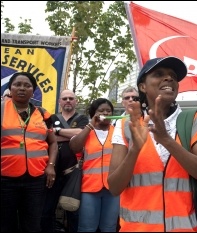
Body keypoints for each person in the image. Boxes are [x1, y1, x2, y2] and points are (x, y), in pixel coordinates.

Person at [108, 56, 197, 232]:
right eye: (159, 74)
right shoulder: (123, 126)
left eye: (173, 76)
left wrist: (166, 140)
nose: (169, 78)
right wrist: (135, 150)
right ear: (143, 86)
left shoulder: (194, 121)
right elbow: (114, 187)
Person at [1, 72, 58, 232]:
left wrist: (51, 166)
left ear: (33, 91)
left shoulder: (42, 114)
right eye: (17, 84)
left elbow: (53, 142)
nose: (22, 88)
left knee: (32, 225)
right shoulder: (1, 110)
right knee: (5, 225)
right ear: (10, 88)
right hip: (5, 180)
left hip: (36, 180)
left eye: (27, 85)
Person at [41, 89, 89, 232]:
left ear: (76, 101)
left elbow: (82, 133)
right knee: (46, 211)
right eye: (65, 98)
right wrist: (70, 136)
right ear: (59, 102)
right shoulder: (52, 118)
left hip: (73, 173)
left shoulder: (82, 119)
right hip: (51, 173)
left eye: (71, 98)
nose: (68, 101)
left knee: (73, 212)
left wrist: (56, 131)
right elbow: (47, 138)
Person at [69, 98, 119, 232]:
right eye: (101, 110)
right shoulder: (86, 132)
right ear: (93, 113)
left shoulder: (118, 133)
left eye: (109, 111)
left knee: (109, 227)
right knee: (87, 228)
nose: (106, 113)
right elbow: (74, 148)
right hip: (89, 187)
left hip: (113, 188)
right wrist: (90, 125)